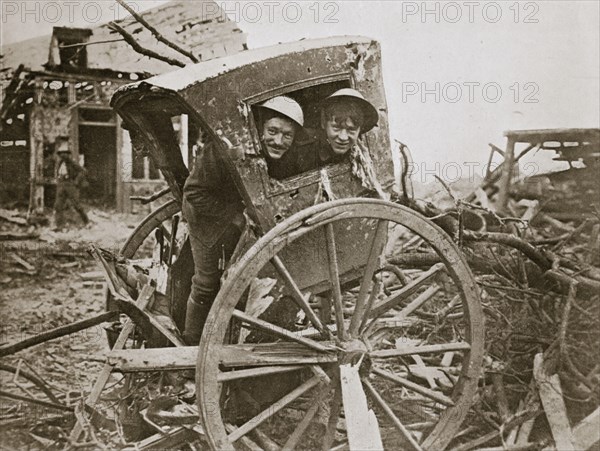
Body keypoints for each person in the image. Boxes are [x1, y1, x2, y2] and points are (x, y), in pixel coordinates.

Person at [182, 96, 305, 345]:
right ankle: (190, 346)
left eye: (287, 135)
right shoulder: (220, 149)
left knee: (237, 280)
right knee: (206, 282)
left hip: (239, 217)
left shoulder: (278, 156)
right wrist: (235, 217)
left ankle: (228, 339)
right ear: (260, 128)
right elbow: (194, 193)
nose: (278, 141)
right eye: (272, 131)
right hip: (204, 216)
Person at [297, 88, 379, 172]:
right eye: (336, 128)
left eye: (351, 130)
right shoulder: (305, 152)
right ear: (324, 123)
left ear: (360, 129)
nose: (343, 137)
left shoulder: (361, 154)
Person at [53, 138, 89, 230]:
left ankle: (87, 222)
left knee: (77, 205)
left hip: (70, 185)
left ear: (68, 154)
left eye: (65, 153)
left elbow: (83, 171)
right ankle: (59, 225)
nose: (63, 155)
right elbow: (58, 173)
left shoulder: (72, 163)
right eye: (61, 153)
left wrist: (76, 181)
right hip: (61, 185)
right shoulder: (59, 163)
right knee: (58, 205)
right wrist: (58, 180)